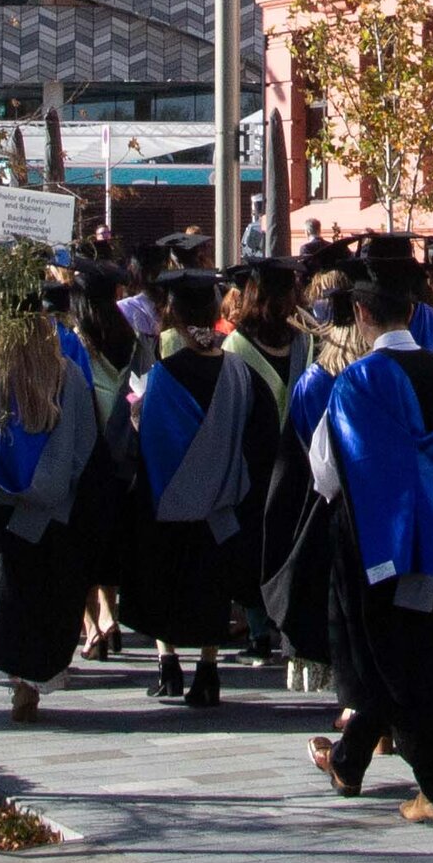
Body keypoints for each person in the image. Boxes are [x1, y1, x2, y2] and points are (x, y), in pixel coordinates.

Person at [304, 270, 433, 821]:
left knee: (387, 660)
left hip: (376, 541)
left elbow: (327, 471)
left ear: (360, 315)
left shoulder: (357, 381)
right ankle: (349, 763)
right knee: (412, 652)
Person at [121, 273, 275, 709]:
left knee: (162, 584)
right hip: (222, 508)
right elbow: (261, 440)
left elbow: (145, 447)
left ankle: (167, 664)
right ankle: (208, 671)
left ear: (175, 316)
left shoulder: (160, 378)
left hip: (167, 506)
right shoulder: (241, 375)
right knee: (213, 589)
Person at [0, 308, 104, 718]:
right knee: (40, 601)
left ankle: (17, 683)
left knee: (5, 600)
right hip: (52, 513)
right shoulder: (67, 373)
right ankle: (27, 686)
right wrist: (62, 484)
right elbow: (86, 444)